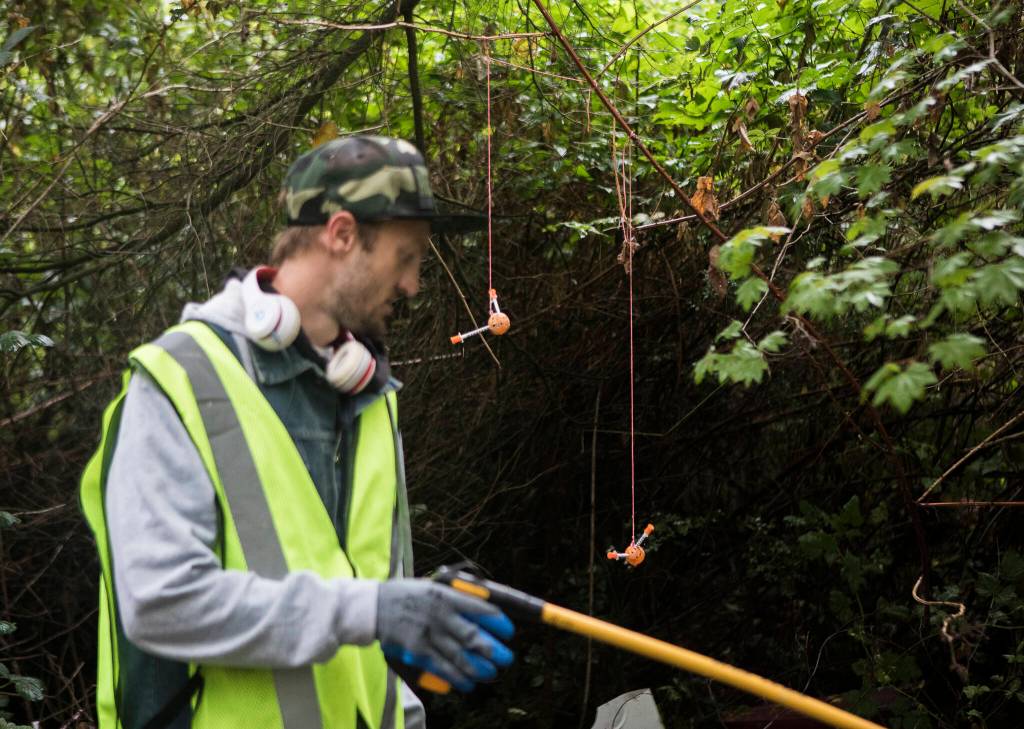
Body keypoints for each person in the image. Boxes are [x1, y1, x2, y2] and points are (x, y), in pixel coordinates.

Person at [80, 136, 514, 729]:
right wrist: (371, 609)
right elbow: (161, 604)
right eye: (405, 257)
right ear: (340, 234)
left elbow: (371, 642)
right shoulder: (180, 380)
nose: (413, 285)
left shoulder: (367, 396)